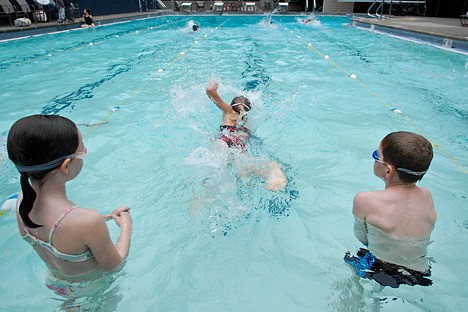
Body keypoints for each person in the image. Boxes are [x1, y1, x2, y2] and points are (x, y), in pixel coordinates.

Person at [7, 115, 132, 298]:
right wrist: (126, 227)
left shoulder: (21, 202)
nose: (85, 151)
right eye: (82, 150)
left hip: (56, 283)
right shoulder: (87, 222)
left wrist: (102, 218)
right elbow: (115, 265)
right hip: (92, 292)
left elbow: (65, 232)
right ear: (66, 165)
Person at [345, 131, 436, 288]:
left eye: (376, 156)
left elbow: (362, 237)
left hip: (380, 269)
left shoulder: (365, 200)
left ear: (388, 171)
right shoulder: (427, 195)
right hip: (420, 271)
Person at [205, 81, 287, 192]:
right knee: (245, 169)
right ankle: (272, 176)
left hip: (224, 141)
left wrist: (213, 85)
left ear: (231, 105)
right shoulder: (247, 121)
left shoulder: (228, 111)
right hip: (240, 145)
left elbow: (210, 92)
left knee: (215, 171)